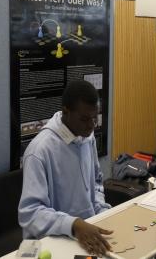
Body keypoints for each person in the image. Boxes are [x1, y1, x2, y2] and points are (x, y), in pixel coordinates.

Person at [18, 80, 112, 256]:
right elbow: (30, 214)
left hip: (84, 234)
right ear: (66, 112)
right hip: (52, 241)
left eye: (95, 117)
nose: (91, 125)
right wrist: (74, 225)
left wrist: (102, 212)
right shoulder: (40, 151)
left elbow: (96, 181)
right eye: (84, 119)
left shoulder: (86, 136)